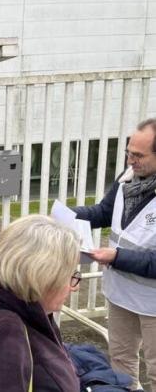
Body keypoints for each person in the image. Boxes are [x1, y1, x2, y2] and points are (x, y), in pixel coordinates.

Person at [0, 215, 82, 392]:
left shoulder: (23, 314)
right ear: (44, 276)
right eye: (70, 276)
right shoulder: (3, 331)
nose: (74, 288)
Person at [73, 118, 156, 390]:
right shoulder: (127, 178)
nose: (131, 160)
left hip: (153, 303)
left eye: (138, 155)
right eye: (128, 153)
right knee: (121, 362)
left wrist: (116, 257)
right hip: (120, 295)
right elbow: (105, 212)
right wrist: (68, 216)